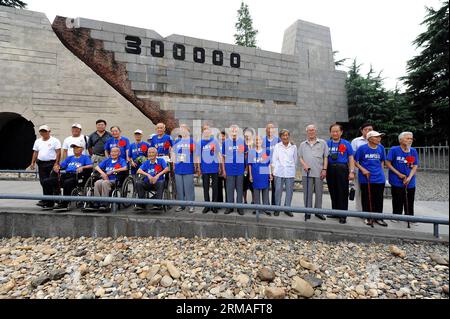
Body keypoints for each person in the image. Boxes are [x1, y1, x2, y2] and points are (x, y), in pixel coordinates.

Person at [354, 131, 388, 227]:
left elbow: (382, 161)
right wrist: (363, 170)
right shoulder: (362, 148)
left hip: (379, 178)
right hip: (366, 177)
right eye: (376, 137)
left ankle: (378, 217)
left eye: (379, 137)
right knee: (366, 198)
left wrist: (380, 171)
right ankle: (367, 217)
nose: (379, 139)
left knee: (379, 198)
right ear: (370, 139)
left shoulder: (381, 148)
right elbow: (355, 161)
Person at [48, 141, 93, 211]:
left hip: (77, 176)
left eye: (77, 147)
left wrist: (83, 167)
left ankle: (64, 203)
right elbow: (61, 165)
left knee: (67, 182)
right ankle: (49, 201)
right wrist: (57, 167)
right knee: (47, 181)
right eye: (74, 148)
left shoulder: (85, 157)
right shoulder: (69, 158)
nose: (75, 149)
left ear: (82, 149)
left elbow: (91, 165)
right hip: (66, 174)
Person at [326, 124, 355, 224]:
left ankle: (343, 215)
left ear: (341, 132)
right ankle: (335, 212)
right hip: (330, 169)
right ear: (330, 132)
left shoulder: (346, 143)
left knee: (342, 192)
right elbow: (324, 157)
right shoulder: (327, 143)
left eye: (337, 131)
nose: (335, 133)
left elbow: (351, 158)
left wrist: (351, 171)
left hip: (342, 169)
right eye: (333, 131)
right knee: (332, 191)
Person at [386, 132, 419, 220]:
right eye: (407, 138)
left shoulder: (413, 151)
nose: (410, 140)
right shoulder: (394, 150)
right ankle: (396, 217)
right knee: (397, 199)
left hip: (410, 180)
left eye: (411, 139)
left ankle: (410, 217)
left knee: (409, 199)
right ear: (400, 140)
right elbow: (388, 163)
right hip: (396, 179)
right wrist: (399, 174)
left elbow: (415, 165)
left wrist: (409, 177)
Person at [299, 124, 328, 221]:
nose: (311, 132)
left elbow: (325, 157)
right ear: (306, 132)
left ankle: (318, 212)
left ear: (315, 131)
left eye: (313, 130)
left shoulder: (322, 143)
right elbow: (300, 157)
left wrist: (324, 169)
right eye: (309, 130)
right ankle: (308, 212)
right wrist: (304, 165)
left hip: (319, 172)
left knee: (319, 193)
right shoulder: (303, 144)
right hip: (306, 172)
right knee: (307, 193)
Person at [29, 125, 61, 210]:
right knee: (43, 182)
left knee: (52, 182)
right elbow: (35, 152)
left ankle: (56, 200)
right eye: (41, 131)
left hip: (51, 163)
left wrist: (57, 163)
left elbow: (58, 152)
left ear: (49, 131)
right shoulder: (38, 141)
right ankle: (48, 201)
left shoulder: (55, 140)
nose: (43, 133)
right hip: (41, 164)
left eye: (45, 131)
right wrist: (32, 162)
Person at [90, 147, 128, 212]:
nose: (113, 153)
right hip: (105, 178)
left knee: (105, 183)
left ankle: (104, 204)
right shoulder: (108, 160)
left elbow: (125, 168)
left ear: (119, 153)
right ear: (110, 153)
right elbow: (96, 167)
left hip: (115, 179)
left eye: (115, 152)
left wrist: (113, 171)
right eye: (112, 152)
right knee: (97, 183)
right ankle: (97, 202)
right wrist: (103, 173)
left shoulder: (121, 160)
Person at [196, 125, 221, 214]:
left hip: (214, 167)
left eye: (208, 130)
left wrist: (220, 166)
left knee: (215, 187)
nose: (206, 131)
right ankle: (207, 205)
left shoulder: (215, 141)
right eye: (205, 130)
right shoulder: (200, 143)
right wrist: (198, 167)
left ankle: (214, 206)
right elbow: (198, 156)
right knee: (205, 187)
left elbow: (218, 154)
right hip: (204, 168)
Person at [272, 129, 297, 217]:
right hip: (279, 172)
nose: (285, 137)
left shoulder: (293, 146)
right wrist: (274, 172)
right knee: (278, 190)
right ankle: (277, 209)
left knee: (289, 191)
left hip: (290, 172)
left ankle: (287, 209)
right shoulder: (277, 146)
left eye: (287, 135)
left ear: (289, 136)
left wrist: (293, 170)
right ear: (280, 137)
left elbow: (295, 160)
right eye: (283, 135)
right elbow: (274, 159)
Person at [223, 124, 247, 215]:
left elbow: (245, 154)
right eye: (232, 131)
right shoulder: (226, 142)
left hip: (239, 169)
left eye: (235, 131)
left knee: (240, 189)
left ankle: (240, 207)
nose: (234, 132)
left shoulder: (241, 141)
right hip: (229, 169)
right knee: (229, 189)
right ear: (229, 132)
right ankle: (230, 207)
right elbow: (223, 157)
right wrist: (224, 170)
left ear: (238, 132)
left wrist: (244, 167)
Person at [172, 124, 196, 213]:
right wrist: (174, 164)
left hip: (188, 167)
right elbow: (173, 153)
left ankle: (191, 205)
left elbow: (195, 154)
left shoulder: (191, 141)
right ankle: (181, 205)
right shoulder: (176, 141)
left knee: (189, 187)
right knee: (179, 188)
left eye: (184, 129)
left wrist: (196, 166)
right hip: (178, 167)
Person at [351, 123, 374, 212]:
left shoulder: (375, 140)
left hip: (372, 170)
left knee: (371, 190)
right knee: (359, 191)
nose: (368, 131)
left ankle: (370, 209)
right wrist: (352, 171)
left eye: (370, 129)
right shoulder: (356, 141)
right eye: (366, 129)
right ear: (362, 131)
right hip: (359, 169)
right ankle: (360, 210)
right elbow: (352, 157)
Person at [248, 135, 272, 216]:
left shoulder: (265, 152)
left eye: (259, 140)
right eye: (256, 140)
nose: (258, 142)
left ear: (262, 142)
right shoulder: (251, 151)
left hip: (264, 172)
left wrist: (270, 174)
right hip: (255, 173)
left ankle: (266, 208)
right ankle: (257, 208)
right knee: (256, 192)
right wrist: (250, 175)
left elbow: (268, 164)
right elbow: (250, 165)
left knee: (265, 191)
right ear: (255, 142)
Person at [263, 122, 281, 206]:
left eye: (272, 128)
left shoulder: (278, 140)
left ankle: (275, 206)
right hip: (264, 167)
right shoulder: (262, 140)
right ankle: (266, 205)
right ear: (266, 130)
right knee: (265, 187)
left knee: (275, 188)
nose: (270, 130)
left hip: (275, 167)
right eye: (268, 128)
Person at [243, 127, 255, 205]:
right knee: (244, 185)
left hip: (253, 168)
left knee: (252, 185)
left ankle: (254, 200)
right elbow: (241, 155)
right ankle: (245, 200)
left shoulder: (255, 143)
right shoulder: (242, 144)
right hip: (244, 168)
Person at [217, 130, 227, 203]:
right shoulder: (217, 145)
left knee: (227, 187)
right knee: (218, 186)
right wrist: (218, 167)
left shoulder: (228, 145)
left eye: (223, 136)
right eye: (221, 136)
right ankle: (219, 202)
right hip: (218, 168)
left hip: (226, 168)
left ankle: (228, 203)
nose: (222, 138)